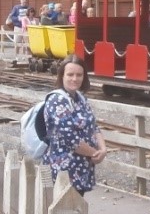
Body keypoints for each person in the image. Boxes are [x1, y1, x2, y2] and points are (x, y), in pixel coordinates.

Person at [41, 55, 106, 196]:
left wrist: (103, 149)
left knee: (76, 212)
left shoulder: (80, 98)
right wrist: (95, 153)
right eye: (70, 74)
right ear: (62, 76)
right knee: (62, 213)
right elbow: (70, 138)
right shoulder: (56, 100)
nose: (75, 79)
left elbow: (93, 126)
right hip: (62, 171)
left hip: (80, 169)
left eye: (79, 75)